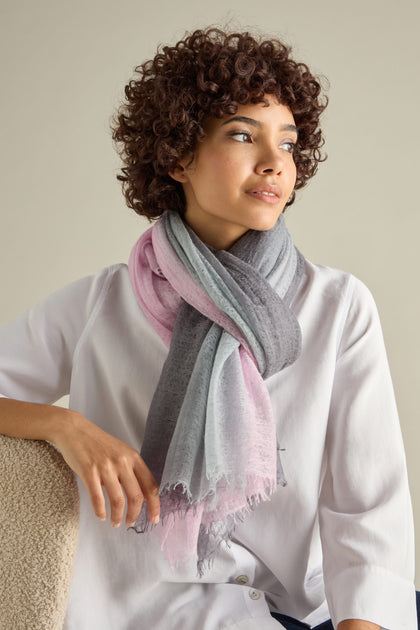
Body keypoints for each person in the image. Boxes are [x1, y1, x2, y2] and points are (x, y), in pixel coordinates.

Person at [0, 27, 417, 630]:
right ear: (177, 156)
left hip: (310, 610)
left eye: (290, 143)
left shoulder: (338, 305)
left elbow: (367, 505)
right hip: (149, 614)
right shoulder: (101, 304)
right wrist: (64, 426)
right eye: (243, 135)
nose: (275, 162)